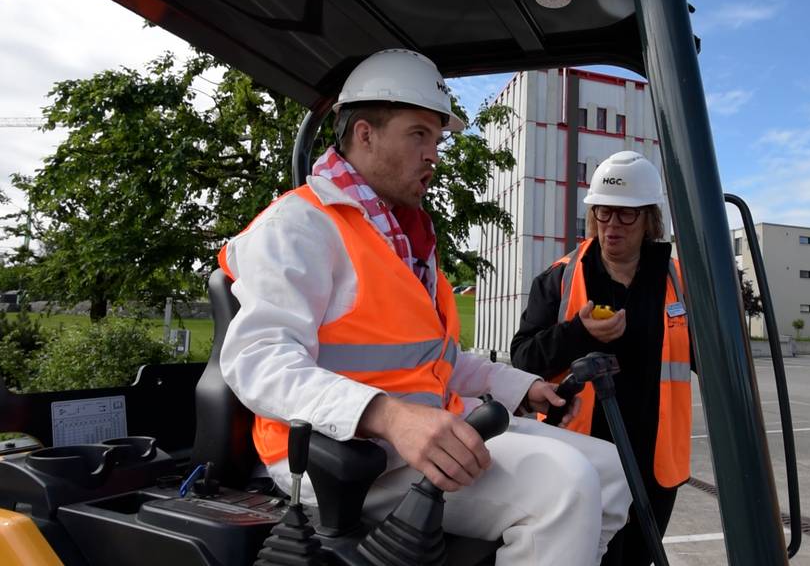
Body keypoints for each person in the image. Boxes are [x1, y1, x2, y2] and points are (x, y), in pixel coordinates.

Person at [218, 48, 630, 566]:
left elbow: (439, 359)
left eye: (437, 139)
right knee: (564, 486)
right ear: (364, 134)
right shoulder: (299, 226)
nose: (434, 153)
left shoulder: (403, 239)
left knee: (612, 471)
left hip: (422, 433)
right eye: (418, 135)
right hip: (340, 458)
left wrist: (520, 385)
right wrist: (388, 416)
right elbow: (256, 361)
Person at [510, 150, 694, 565]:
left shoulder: (679, 282)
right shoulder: (560, 278)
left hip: (654, 462)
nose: (612, 226)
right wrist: (577, 333)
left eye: (626, 215)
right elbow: (523, 358)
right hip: (579, 461)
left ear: (649, 218)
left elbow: (711, 362)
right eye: (603, 214)